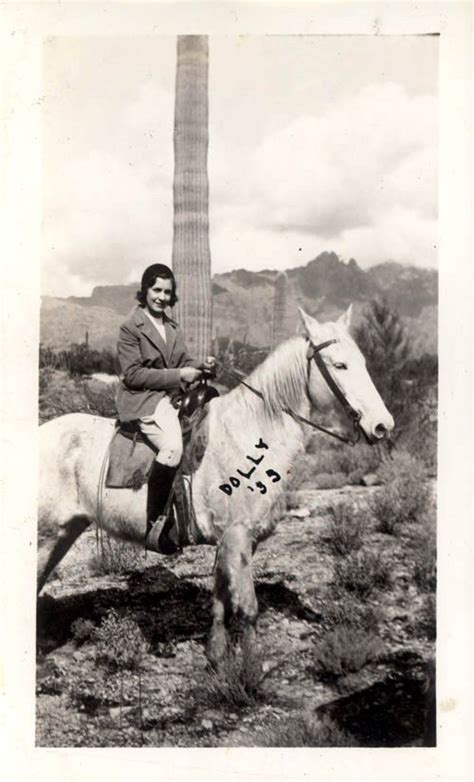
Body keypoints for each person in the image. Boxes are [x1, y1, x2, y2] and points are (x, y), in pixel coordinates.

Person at [116, 263, 215, 553]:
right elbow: (132, 375)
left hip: (169, 398)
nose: (161, 296)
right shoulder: (130, 327)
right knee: (172, 446)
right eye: (156, 289)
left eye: (167, 292)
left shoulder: (171, 327)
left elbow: (183, 361)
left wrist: (201, 365)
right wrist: (178, 376)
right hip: (143, 400)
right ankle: (154, 526)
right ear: (145, 290)